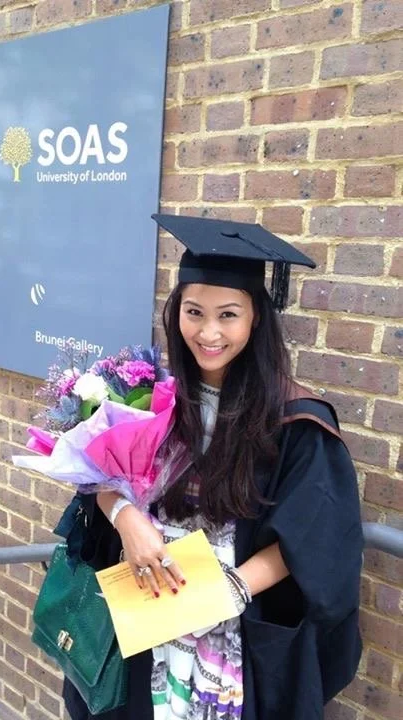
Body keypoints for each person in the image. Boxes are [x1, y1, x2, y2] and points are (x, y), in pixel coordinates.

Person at [62, 214, 363, 720]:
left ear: (256, 318)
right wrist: (125, 517)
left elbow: (315, 534)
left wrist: (229, 590)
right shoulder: (150, 397)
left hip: (231, 630)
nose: (209, 332)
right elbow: (99, 474)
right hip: (147, 611)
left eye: (228, 315)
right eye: (194, 312)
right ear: (176, 311)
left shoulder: (295, 421)